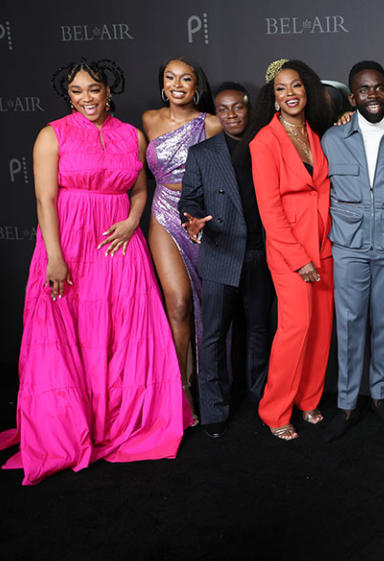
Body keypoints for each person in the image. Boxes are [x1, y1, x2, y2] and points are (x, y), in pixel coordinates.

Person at [0, 59, 188, 485]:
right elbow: (45, 202)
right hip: (70, 243)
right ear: (68, 96)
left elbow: (139, 190)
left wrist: (134, 220)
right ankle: (72, 426)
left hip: (119, 241)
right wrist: (55, 257)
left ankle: (118, 421)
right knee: (69, 329)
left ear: (108, 90)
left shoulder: (130, 135)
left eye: (94, 89)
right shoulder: (51, 135)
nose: (86, 98)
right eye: (77, 91)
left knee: (122, 327)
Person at [243, 59, 335, 441]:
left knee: (321, 328)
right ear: (273, 97)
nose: (290, 94)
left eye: (295, 86)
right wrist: (299, 259)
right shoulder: (264, 142)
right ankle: (275, 409)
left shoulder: (317, 134)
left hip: (326, 244)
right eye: (281, 89)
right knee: (295, 328)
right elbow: (270, 210)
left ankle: (308, 399)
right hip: (290, 250)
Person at [320, 61, 384, 441]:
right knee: (349, 325)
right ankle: (346, 404)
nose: (373, 95)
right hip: (349, 247)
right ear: (352, 96)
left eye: (379, 88)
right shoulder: (332, 139)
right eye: (364, 89)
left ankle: (380, 395)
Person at [178, 83, 274, 439]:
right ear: (216, 113)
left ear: (249, 109)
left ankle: (263, 399)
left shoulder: (265, 145)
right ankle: (215, 407)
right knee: (214, 336)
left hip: (261, 254)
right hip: (220, 254)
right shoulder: (203, 153)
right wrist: (193, 219)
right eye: (224, 109)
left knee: (260, 331)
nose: (232, 115)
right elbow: (189, 199)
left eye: (238, 108)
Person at [143, 57, 222, 423]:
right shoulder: (148, 120)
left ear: (196, 86)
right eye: (170, 78)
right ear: (163, 84)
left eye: (185, 78)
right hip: (162, 211)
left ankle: (209, 384)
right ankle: (180, 389)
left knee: (207, 305)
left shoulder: (212, 124)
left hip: (197, 216)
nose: (177, 84)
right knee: (177, 302)